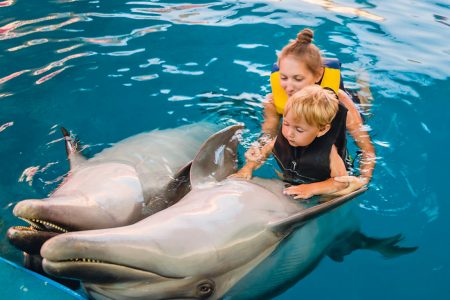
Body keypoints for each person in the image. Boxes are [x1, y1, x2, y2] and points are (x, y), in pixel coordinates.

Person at [245, 28, 375, 195]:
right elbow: (268, 136)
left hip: (344, 104)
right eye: (283, 77)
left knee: (366, 109)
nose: (289, 87)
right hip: (302, 132)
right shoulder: (273, 101)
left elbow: (367, 149)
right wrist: (255, 152)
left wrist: (363, 180)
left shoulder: (340, 102)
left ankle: (363, 82)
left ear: (317, 75)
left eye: (298, 79)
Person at [232, 85, 349, 199]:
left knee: (329, 198)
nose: (289, 133)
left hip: (315, 182)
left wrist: (312, 189)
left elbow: (341, 182)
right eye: (286, 124)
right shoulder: (283, 137)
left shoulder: (329, 152)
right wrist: (248, 168)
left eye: (299, 129)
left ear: (322, 130)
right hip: (292, 176)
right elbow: (264, 152)